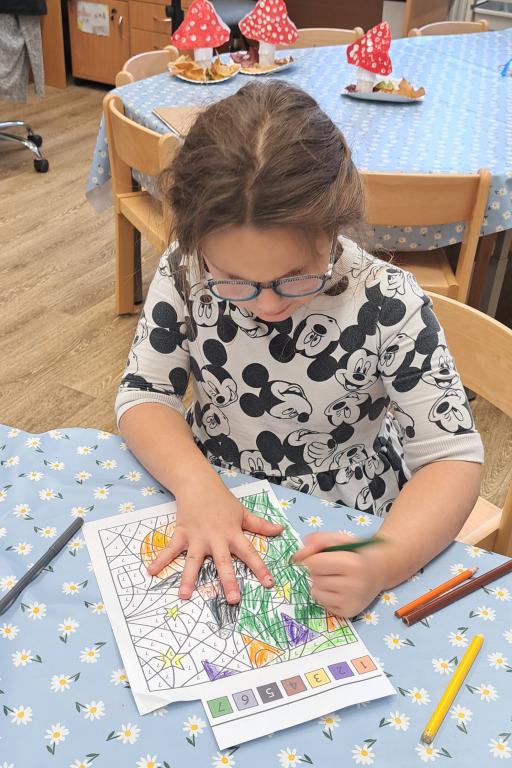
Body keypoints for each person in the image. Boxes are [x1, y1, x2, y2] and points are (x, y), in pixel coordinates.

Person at [116, 80, 483, 619]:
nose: (267, 304)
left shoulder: (388, 301)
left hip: (349, 521)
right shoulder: (185, 269)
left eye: (295, 277)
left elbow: (451, 459)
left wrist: (384, 558)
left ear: (333, 228)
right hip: (205, 487)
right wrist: (196, 484)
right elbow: (144, 394)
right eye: (234, 281)